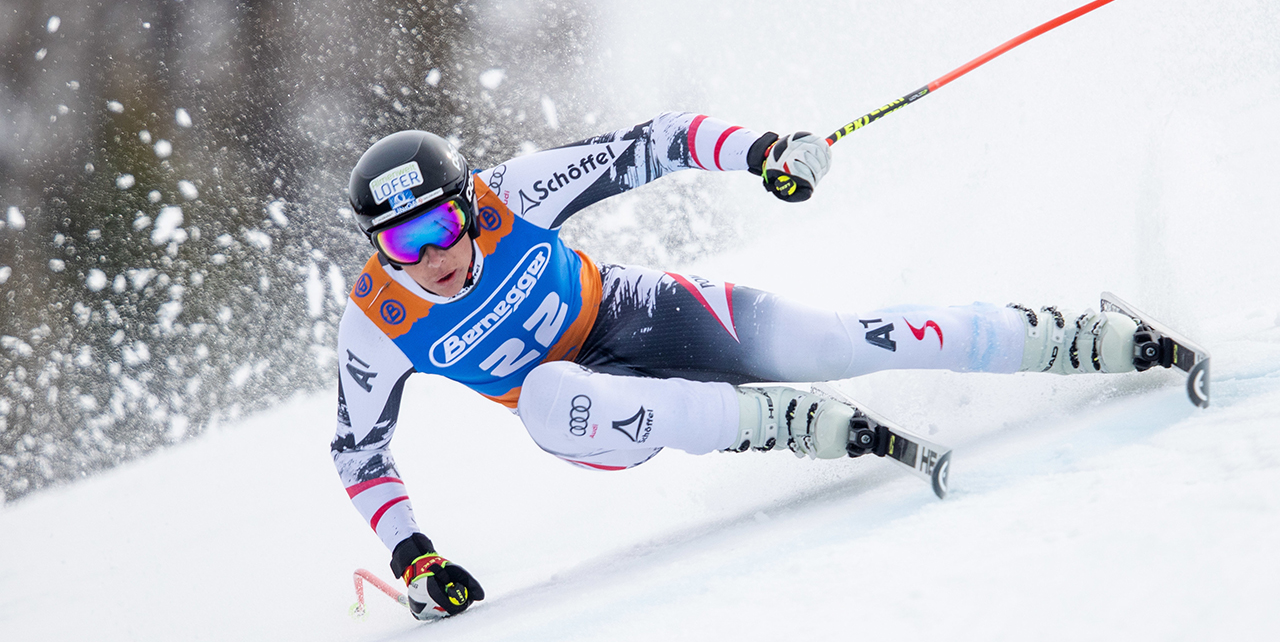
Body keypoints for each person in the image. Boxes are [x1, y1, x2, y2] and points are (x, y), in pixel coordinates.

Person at [331, 112, 1149, 620]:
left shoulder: (513, 192)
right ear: (378, 249)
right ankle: (778, 422)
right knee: (547, 390)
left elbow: (660, 141)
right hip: (588, 420)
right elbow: (358, 452)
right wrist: (415, 558)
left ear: (469, 203)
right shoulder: (374, 322)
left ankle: (1070, 337)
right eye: (403, 242)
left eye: (439, 223)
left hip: (633, 310)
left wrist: (764, 152)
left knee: (835, 341)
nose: (431, 254)